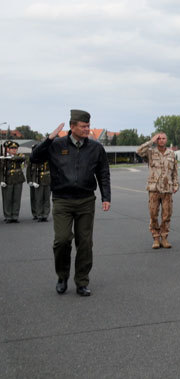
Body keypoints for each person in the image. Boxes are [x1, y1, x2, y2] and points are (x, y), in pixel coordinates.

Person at [30, 110, 111, 297]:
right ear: (72, 126)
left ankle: (82, 281)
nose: (87, 129)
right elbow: (34, 158)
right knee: (62, 240)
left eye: (88, 126)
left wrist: (106, 196)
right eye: (83, 126)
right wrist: (49, 138)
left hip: (86, 201)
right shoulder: (56, 145)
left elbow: (103, 173)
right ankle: (62, 276)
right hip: (62, 200)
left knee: (85, 243)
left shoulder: (95, 148)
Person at [136, 133, 179, 249]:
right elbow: (139, 151)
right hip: (154, 188)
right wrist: (151, 141)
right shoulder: (150, 152)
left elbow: (174, 171)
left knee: (167, 215)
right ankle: (155, 237)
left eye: (163, 138)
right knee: (153, 214)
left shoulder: (171, 153)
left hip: (167, 189)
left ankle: (164, 237)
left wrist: (176, 184)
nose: (161, 140)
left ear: (167, 140)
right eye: (159, 138)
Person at [2, 141, 27, 223]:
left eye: (15, 148)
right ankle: (8, 216)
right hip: (8, 179)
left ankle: (15, 216)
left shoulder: (19, 156)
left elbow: (22, 158)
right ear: (8, 149)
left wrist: (11, 157)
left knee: (16, 198)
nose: (14, 150)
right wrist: (1, 180)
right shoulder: (3, 157)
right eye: (12, 148)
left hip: (18, 179)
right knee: (7, 199)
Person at [26, 145, 51, 222]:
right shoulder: (33, 160)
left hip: (47, 180)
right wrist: (30, 180)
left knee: (46, 198)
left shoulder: (48, 159)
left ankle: (45, 215)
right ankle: (38, 214)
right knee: (37, 198)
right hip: (37, 180)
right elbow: (29, 170)